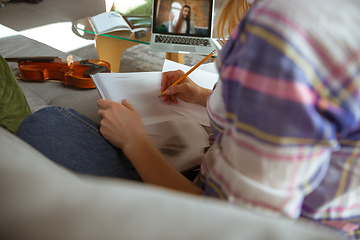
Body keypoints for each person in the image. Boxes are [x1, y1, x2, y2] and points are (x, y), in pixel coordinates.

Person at [13, 0, 360, 239]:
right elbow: (306, 118)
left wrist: (136, 142)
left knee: (49, 125)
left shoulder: (287, 30)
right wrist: (205, 97)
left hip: (223, 215)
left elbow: (235, 225)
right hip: (335, 219)